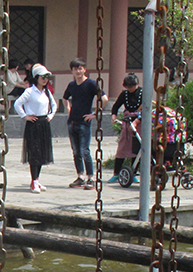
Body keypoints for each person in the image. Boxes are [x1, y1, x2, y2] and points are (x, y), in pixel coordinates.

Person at [62, 58, 107, 189]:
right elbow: (65, 98)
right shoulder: (71, 85)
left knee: (85, 150)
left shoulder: (91, 84)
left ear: (84, 69)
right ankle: (80, 176)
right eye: (75, 69)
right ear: (72, 71)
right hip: (72, 121)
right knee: (76, 151)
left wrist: (95, 113)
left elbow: (104, 98)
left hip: (84, 121)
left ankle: (90, 178)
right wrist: (68, 109)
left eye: (80, 68)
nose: (78, 71)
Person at [13, 64, 57, 193]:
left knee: (42, 153)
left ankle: (37, 179)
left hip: (44, 123)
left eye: (47, 77)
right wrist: (25, 116)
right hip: (34, 124)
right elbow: (18, 104)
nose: (45, 80)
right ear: (36, 78)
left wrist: (50, 116)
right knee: (34, 153)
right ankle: (34, 181)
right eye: (42, 77)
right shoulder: (30, 91)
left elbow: (53, 105)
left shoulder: (47, 91)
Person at [110, 73, 143, 182]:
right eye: (127, 87)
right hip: (127, 122)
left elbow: (146, 110)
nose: (129, 89)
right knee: (123, 146)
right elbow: (115, 106)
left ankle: (133, 173)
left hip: (139, 122)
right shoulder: (124, 94)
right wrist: (114, 115)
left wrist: (137, 121)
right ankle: (116, 172)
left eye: (131, 86)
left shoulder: (143, 93)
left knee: (136, 147)